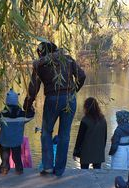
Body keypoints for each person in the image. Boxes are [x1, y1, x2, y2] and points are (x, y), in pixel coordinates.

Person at [23, 41, 86, 177]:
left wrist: (27, 105)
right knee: (64, 135)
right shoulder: (68, 60)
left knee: (46, 132)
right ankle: (59, 170)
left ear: (41, 53)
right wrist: (72, 92)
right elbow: (82, 76)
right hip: (69, 99)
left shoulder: (40, 65)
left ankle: (47, 167)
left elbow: (33, 89)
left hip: (52, 99)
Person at [0, 89, 34, 175]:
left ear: (6, 102)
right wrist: (30, 108)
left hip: (4, 140)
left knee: (4, 158)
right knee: (17, 158)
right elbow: (31, 116)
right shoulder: (22, 115)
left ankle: (4, 170)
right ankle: (19, 170)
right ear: (16, 101)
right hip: (16, 141)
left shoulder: (1, 114)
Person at [73, 97, 107, 169]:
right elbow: (105, 138)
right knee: (97, 172)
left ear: (86, 107)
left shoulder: (85, 120)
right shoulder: (103, 120)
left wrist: (75, 152)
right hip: (98, 151)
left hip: (86, 152)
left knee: (84, 172)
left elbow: (80, 138)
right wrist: (102, 149)